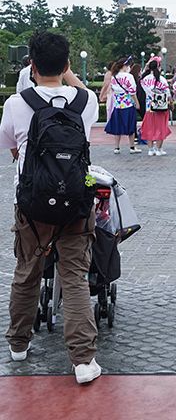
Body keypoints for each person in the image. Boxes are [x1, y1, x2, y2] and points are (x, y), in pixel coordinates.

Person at [0, 31, 101, 384]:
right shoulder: (85, 102)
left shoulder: (16, 103)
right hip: (75, 203)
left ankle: (18, 344)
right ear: (68, 64)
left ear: (30, 64)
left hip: (31, 205)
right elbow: (80, 87)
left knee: (27, 271)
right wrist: (69, 72)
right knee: (74, 277)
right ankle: (83, 361)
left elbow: (9, 144)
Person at [104, 57, 142, 154]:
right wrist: (137, 103)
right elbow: (132, 91)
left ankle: (117, 147)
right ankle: (132, 147)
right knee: (131, 126)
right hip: (128, 104)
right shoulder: (128, 77)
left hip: (118, 105)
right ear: (125, 66)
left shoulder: (114, 77)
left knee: (118, 127)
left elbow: (112, 90)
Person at [140, 58, 171, 156]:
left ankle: (150, 149)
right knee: (160, 127)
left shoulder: (145, 79)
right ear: (158, 67)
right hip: (161, 107)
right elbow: (168, 94)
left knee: (149, 128)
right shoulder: (162, 79)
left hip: (149, 107)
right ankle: (159, 149)